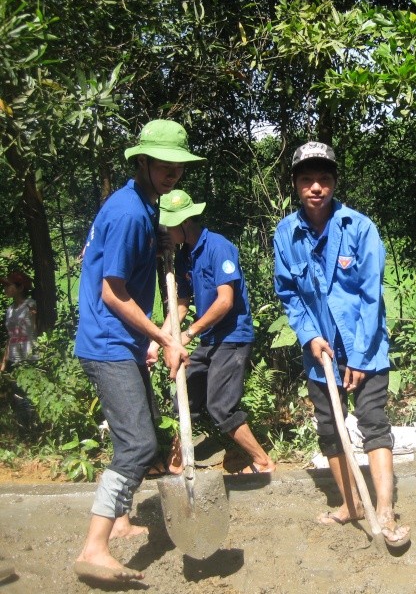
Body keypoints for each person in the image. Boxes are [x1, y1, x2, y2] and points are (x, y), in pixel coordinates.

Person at [73, 119, 203, 583]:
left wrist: (161, 241)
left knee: (138, 432)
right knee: (140, 442)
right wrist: (165, 336)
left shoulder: (143, 208)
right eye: (163, 164)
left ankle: (122, 519)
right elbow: (113, 292)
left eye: (178, 166)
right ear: (143, 161)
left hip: (120, 340)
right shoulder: (130, 211)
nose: (172, 173)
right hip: (108, 342)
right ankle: (94, 547)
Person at [273, 141, 409, 546]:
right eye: (307, 180)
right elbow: (288, 293)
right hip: (321, 352)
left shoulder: (360, 228)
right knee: (330, 428)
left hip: (364, 345)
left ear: (334, 184)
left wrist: (363, 357)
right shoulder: (286, 234)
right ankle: (351, 504)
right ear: (296, 185)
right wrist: (310, 336)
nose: (316, 187)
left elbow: (371, 297)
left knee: (372, 421)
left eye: (324, 179)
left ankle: (383, 508)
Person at [150, 189, 276, 475]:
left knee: (220, 406)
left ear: (185, 222)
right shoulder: (184, 256)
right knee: (186, 395)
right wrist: (159, 340)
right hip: (210, 338)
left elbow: (225, 301)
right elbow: (181, 304)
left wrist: (190, 333)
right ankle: (177, 461)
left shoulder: (218, 247)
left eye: (170, 226)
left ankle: (263, 461)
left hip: (232, 338)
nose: (167, 233)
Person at [1, 271, 37, 428]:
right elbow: (10, 336)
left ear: (20, 287)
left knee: (31, 394)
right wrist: (4, 361)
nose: (5, 289)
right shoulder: (9, 310)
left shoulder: (30, 304)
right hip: (15, 357)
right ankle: (26, 428)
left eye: (8, 286)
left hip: (29, 356)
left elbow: (36, 328)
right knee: (18, 395)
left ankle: (35, 426)